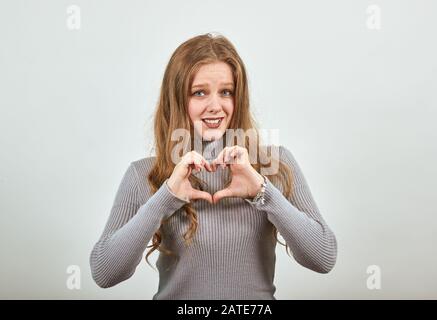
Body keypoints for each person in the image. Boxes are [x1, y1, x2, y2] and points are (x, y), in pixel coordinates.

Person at [89, 32, 337, 300]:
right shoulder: (143, 174)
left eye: (226, 92)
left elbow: (323, 258)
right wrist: (165, 197)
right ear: (177, 99)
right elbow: (105, 273)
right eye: (199, 93)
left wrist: (262, 192)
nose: (215, 106)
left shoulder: (273, 164)